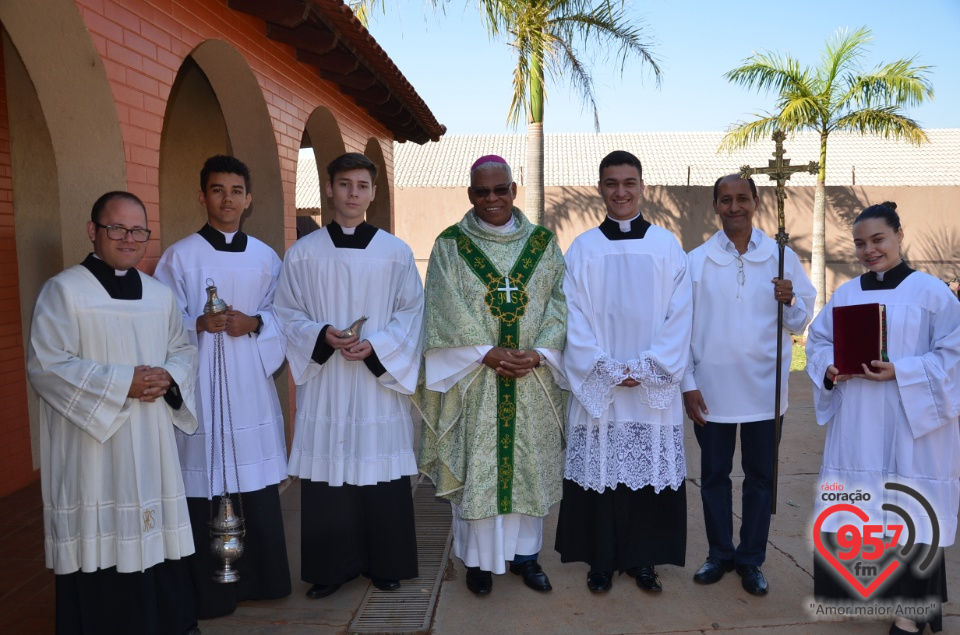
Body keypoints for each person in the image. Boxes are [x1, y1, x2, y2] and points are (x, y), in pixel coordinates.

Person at [27, 191, 200, 634]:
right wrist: (123, 382)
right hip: (92, 446)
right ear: (93, 231)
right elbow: (47, 365)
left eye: (138, 230)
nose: (128, 238)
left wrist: (168, 377)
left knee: (156, 542)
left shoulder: (160, 297)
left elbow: (183, 349)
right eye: (116, 228)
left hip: (151, 441)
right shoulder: (64, 291)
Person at [274, 152, 423, 599]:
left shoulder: (396, 253)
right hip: (329, 381)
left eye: (361, 185)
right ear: (329, 189)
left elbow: (412, 313)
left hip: (376, 381)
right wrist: (321, 334)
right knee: (330, 475)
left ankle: (386, 563)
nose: (353, 193)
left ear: (373, 193)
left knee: (379, 472)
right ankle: (329, 569)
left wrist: (376, 346)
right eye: (344, 185)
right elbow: (287, 312)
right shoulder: (303, 253)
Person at [806, 202, 960, 634]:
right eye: (860, 243)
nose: (869, 250)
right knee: (874, 510)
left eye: (878, 240)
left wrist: (903, 371)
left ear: (898, 236)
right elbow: (818, 343)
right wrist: (828, 368)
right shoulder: (848, 294)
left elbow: (954, 356)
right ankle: (913, 602)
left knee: (914, 508)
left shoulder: (932, 293)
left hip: (915, 424)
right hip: (860, 422)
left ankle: (911, 614)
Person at [417, 155, 567, 596]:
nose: (492, 199)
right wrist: (486, 352)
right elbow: (443, 306)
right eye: (482, 192)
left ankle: (527, 557)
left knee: (529, 468)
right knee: (479, 467)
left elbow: (560, 301)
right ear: (470, 194)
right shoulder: (450, 245)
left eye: (500, 189)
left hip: (531, 378)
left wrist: (537, 354)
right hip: (475, 379)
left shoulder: (543, 242)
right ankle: (477, 562)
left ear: (514, 190)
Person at [154, 155, 291, 618]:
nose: (227, 199)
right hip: (201, 391)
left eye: (236, 191)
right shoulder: (179, 256)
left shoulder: (265, 257)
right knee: (205, 475)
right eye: (217, 190)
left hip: (249, 383)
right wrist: (196, 322)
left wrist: (254, 322)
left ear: (248, 199)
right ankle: (211, 588)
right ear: (202, 196)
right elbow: (158, 322)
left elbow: (285, 316)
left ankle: (264, 580)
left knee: (252, 480)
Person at [555, 150, 692, 594]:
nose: (620, 191)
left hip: (650, 385)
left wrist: (647, 368)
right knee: (600, 474)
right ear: (600, 188)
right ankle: (600, 560)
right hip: (602, 384)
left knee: (646, 479)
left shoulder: (667, 246)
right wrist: (607, 369)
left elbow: (680, 316)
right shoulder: (583, 248)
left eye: (628, 183)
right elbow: (571, 315)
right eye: (611, 183)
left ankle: (644, 561)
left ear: (642, 187)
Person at [682, 174, 815, 596]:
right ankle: (719, 553)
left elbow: (800, 320)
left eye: (743, 198)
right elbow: (679, 329)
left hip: (764, 390)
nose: (735, 206)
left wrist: (790, 299)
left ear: (756, 201)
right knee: (715, 476)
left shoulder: (781, 258)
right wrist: (687, 382)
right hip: (712, 390)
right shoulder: (696, 260)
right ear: (716, 206)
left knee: (761, 478)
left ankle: (751, 558)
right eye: (726, 199)